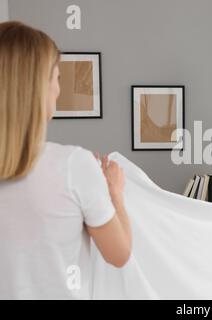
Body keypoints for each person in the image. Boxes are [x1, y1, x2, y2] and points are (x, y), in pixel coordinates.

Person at [0, 21, 132, 299]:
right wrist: (115, 193)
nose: (58, 89)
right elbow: (119, 254)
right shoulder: (75, 166)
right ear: (38, 88)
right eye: (56, 78)